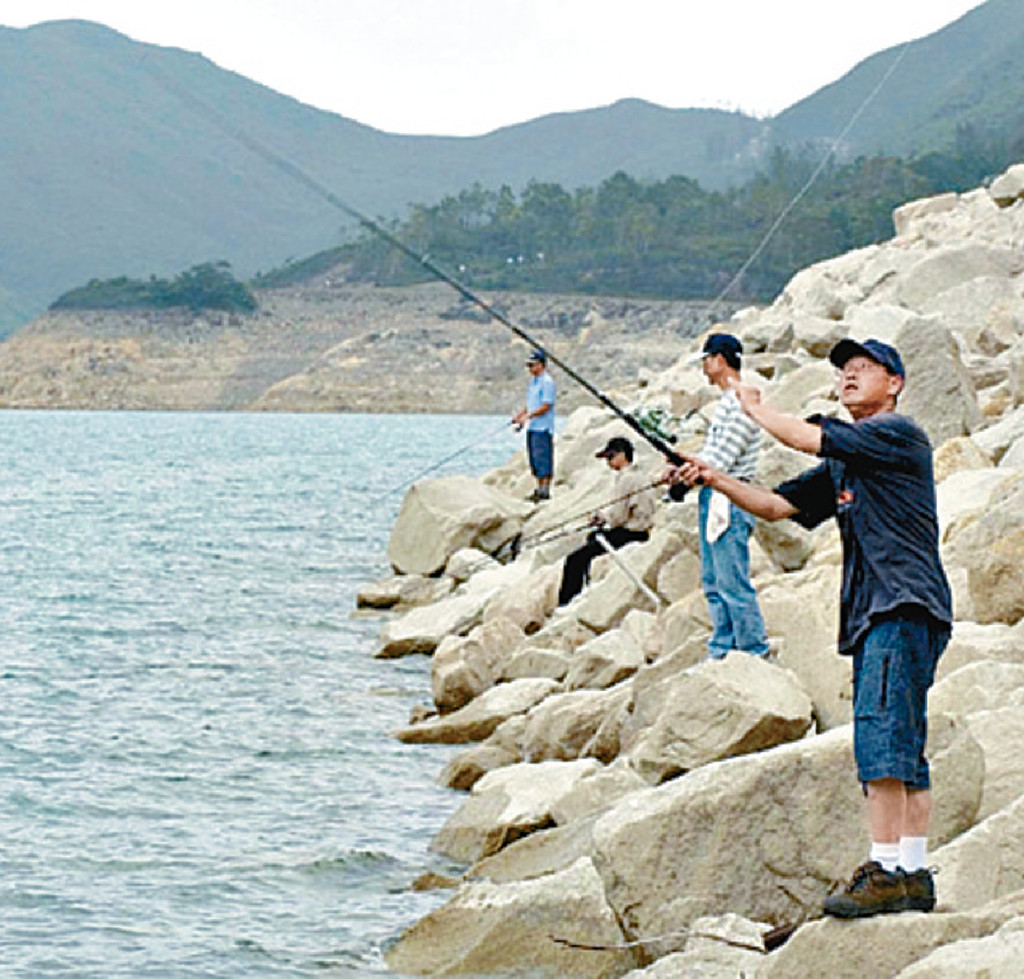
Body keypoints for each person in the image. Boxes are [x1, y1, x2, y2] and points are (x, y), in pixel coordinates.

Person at [668, 337, 952, 919]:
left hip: (899, 605)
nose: (848, 377)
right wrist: (715, 478)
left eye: (863, 369)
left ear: (894, 382)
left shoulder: (895, 433)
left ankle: (885, 869)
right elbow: (775, 506)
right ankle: (913, 872)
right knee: (904, 741)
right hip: (892, 608)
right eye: (843, 370)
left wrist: (747, 403)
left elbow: (802, 434)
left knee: (880, 737)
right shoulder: (850, 459)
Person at [682, 332, 770, 659]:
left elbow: (722, 461)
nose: (704, 367)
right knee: (713, 581)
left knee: (732, 583)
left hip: (731, 499)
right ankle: (722, 649)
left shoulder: (741, 403)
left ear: (719, 359)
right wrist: (681, 465)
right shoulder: (725, 403)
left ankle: (753, 652)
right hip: (713, 497)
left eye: (706, 360)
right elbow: (711, 454)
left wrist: (692, 470)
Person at [558, 436, 657, 606]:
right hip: (640, 530)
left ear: (622, 455)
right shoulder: (639, 475)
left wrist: (601, 518)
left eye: (610, 457)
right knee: (592, 539)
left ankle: (566, 602)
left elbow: (618, 517)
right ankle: (583, 590)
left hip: (631, 533)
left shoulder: (627, 479)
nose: (608, 462)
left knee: (574, 559)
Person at [513, 349, 556, 503]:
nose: (531, 369)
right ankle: (539, 488)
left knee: (543, 457)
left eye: (533, 365)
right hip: (533, 427)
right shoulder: (533, 383)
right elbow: (531, 404)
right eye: (529, 366)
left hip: (543, 427)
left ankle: (545, 489)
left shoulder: (547, 382)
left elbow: (546, 405)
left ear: (542, 365)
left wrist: (529, 416)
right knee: (535, 459)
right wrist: (521, 415)